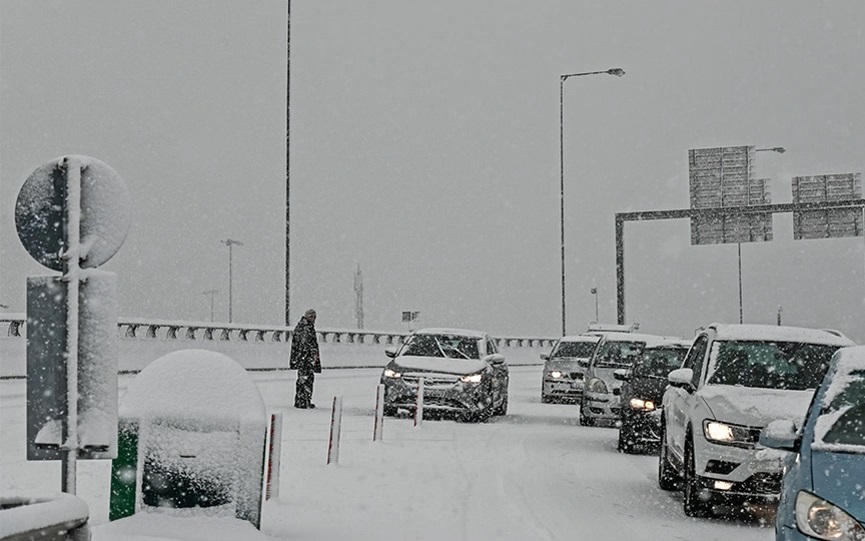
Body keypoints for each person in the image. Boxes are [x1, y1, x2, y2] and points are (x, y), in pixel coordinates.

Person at [290, 309, 321, 408]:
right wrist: (311, 355)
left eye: (314, 317)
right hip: (305, 359)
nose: (313, 319)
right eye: (311, 316)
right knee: (306, 379)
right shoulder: (306, 328)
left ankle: (302, 400)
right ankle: (303, 401)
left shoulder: (303, 326)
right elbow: (305, 344)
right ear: (307, 316)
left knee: (304, 379)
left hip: (303, 358)